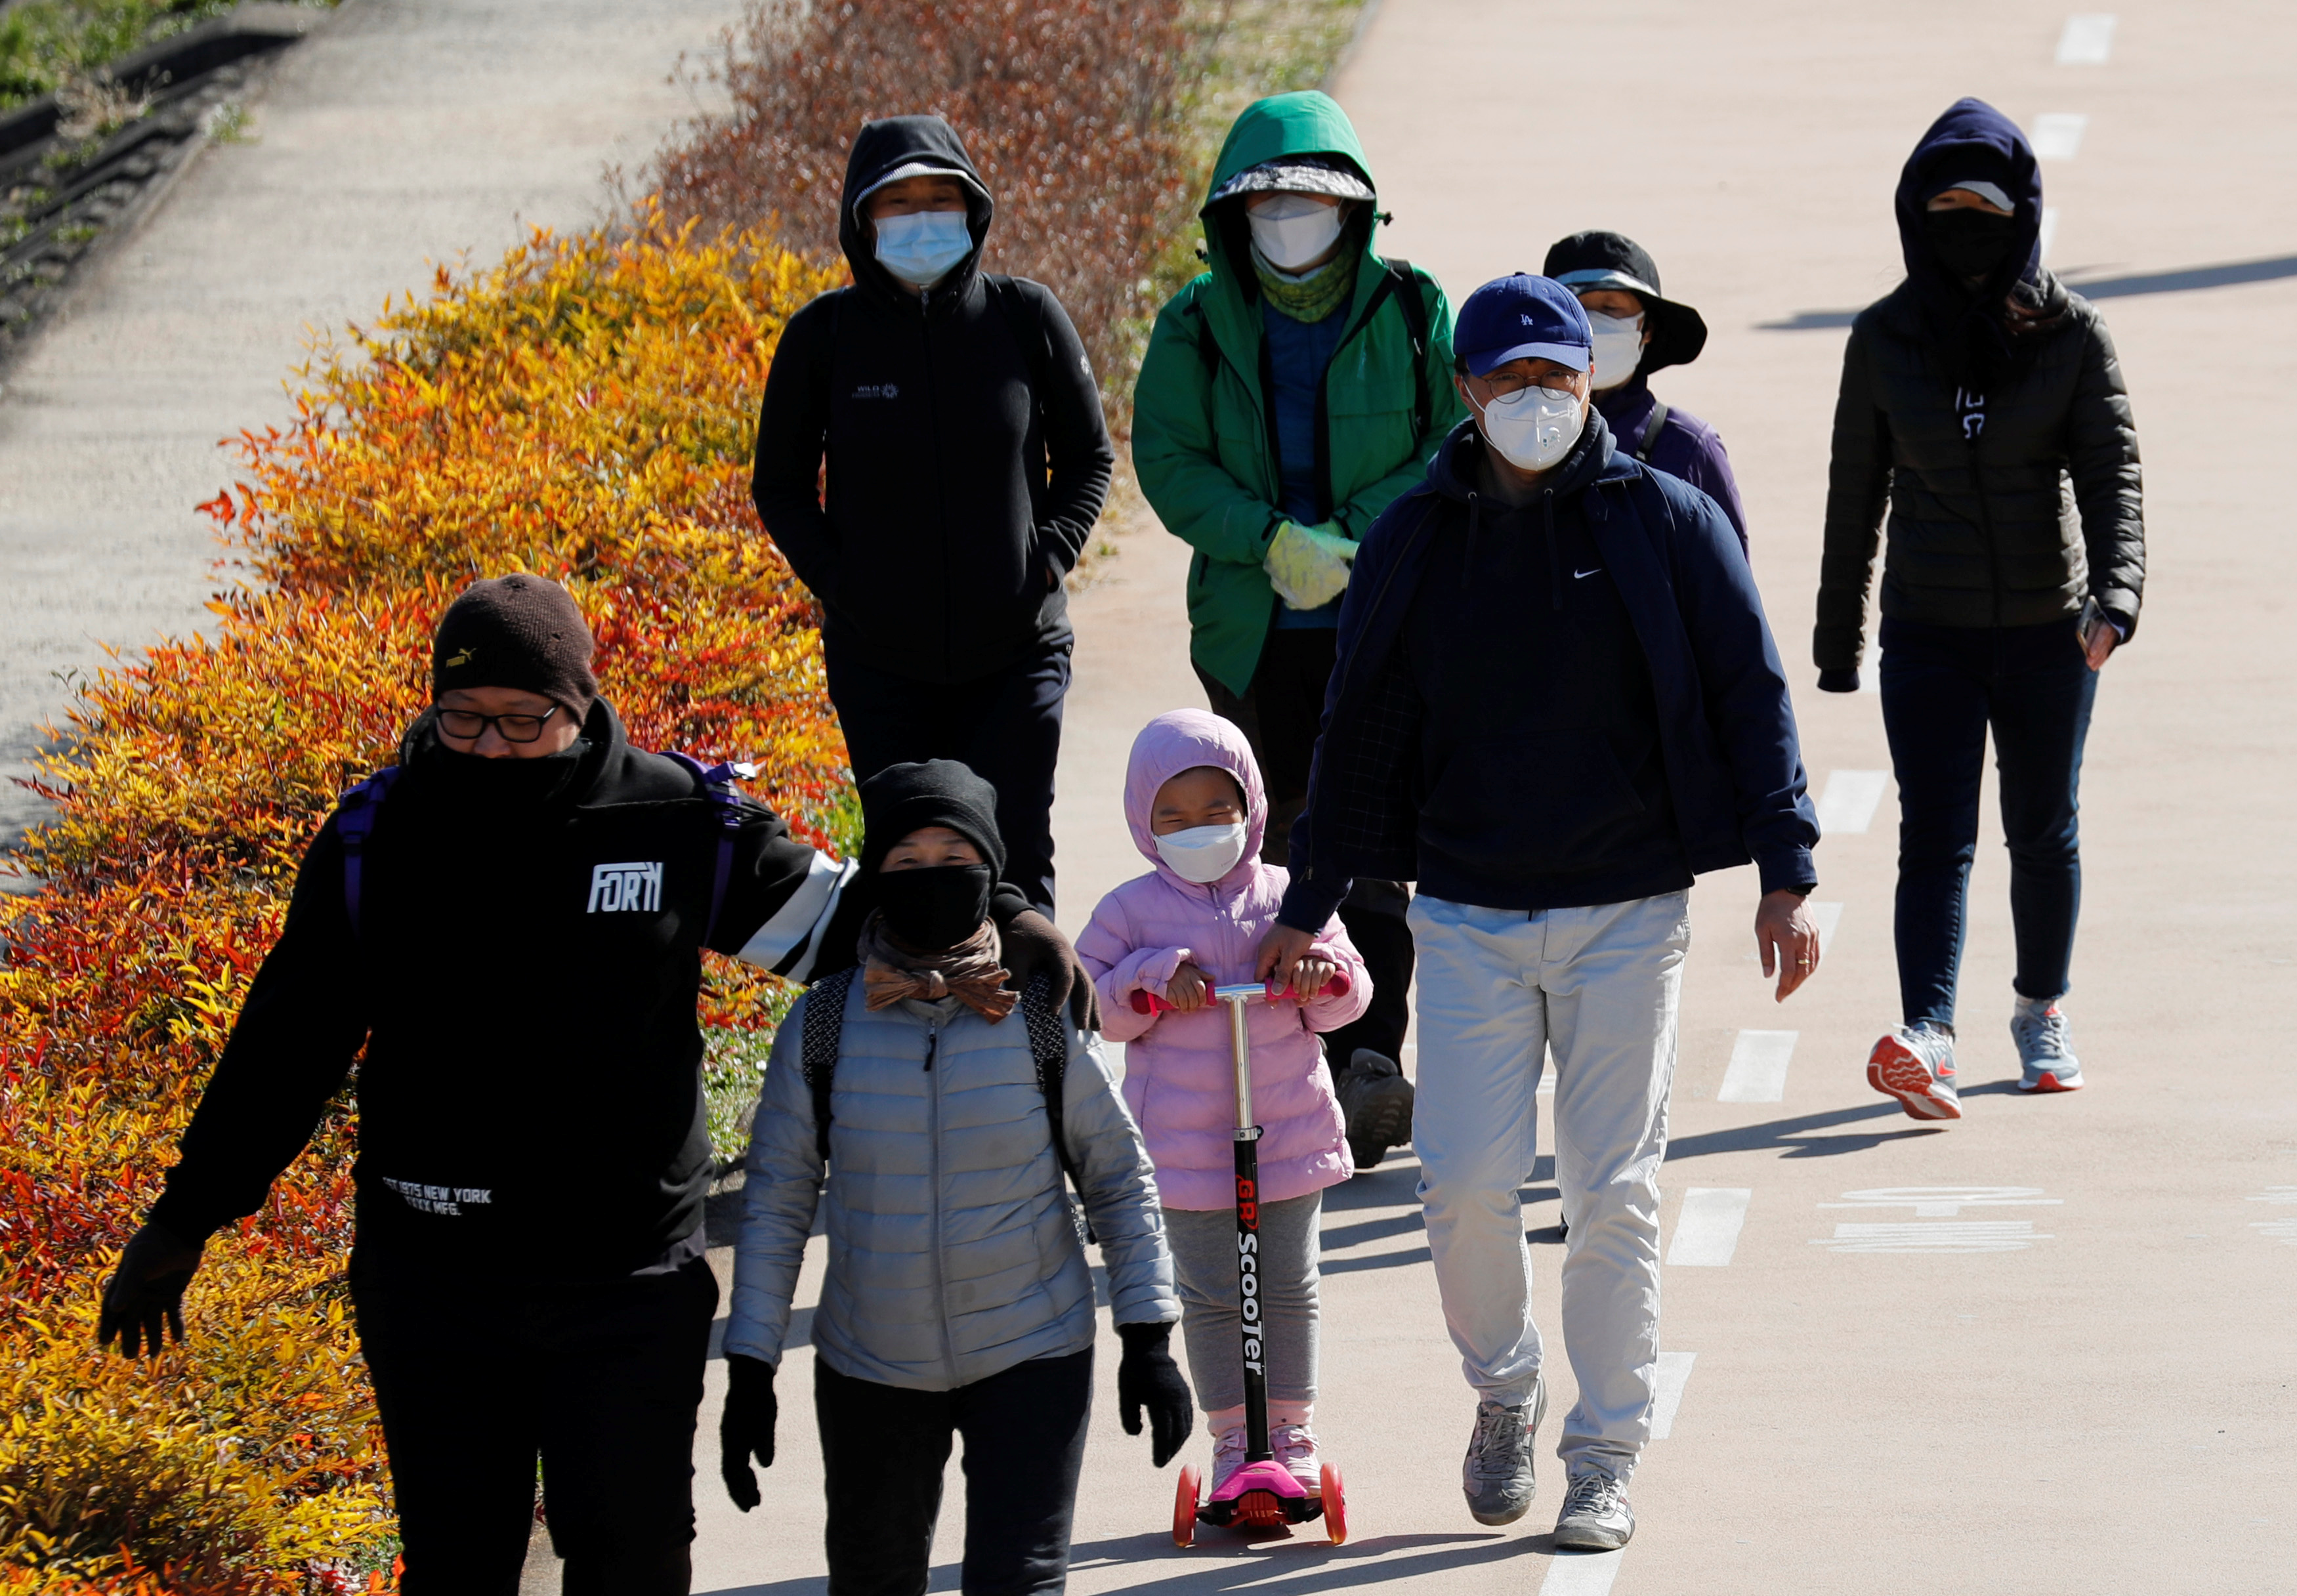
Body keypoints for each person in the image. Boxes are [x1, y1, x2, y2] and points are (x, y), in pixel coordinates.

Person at [93, 576, 1090, 1595]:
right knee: (455, 1563)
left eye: (524, 723)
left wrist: (1004, 911)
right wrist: (186, 1217)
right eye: (463, 720)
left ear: (580, 708)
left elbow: (856, 916)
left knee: (632, 1560)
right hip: (434, 1280)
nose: (488, 748)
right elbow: (284, 1048)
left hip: (627, 1284)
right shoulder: (376, 840)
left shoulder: (674, 822)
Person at [1257, 275, 1822, 1551]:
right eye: (1507, 380)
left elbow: (1751, 691)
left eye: (1554, 378)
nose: (1534, 401)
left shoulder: (1667, 522)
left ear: (1590, 382)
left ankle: (1602, 1453)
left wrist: (1786, 873)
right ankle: (1505, 1389)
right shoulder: (1415, 538)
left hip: (1629, 912)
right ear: (1465, 391)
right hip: (1465, 915)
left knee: (1613, 1192)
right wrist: (1308, 898)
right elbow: (1354, 730)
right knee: (1460, 1182)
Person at [719, 759, 1188, 1596]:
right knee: (871, 1579)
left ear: (988, 873)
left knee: (1021, 1579)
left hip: (1034, 1348)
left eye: (952, 854)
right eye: (904, 860)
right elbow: (776, 1204)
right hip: (870, 1362)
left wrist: (1148, 1335)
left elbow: (1118, 1176)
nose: (930, 875)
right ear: (873, 879)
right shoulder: (821, 1023)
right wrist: (750, 1364)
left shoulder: (1044, 1013)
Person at [1133, 90, 1462, 1172]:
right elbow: (1170, 459)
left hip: (1383, 627)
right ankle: (1289, 1064)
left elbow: (1451, 441)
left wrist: (1360, 537)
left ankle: (1372, 1056)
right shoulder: (1193, 324)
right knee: (1267, 851)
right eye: (1270, 198)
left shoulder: (1413, 311)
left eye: (1313, 198)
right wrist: (1269, 537)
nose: (1291, 215)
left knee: (1370, 842)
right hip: (1252, 629)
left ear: (1355, 208)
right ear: (1235, 212)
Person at [1816, 98, 2144, 1117]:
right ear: (1914, 215)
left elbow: (2111, 469)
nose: (1966, 225)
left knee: (2044, 830)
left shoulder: (2072, 335)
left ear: (2026, 216)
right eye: (1945, 206)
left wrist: (2116, 596)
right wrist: (1841, 633)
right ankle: (1930, 1034)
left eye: (1987, 208)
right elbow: (1854, 490)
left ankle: (2041, 1009)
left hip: (2053, 631)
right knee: (1937, 836)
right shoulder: (1882, 338)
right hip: (1929, 635)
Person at [751, 114, 1116, 915]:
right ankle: (909, 1032)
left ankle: (1033, 1031)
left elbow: (1089, 458)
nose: (920, 220)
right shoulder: (822, 337)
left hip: (1016, 652)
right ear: (861, 219)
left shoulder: (1025, 317)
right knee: (910, 860)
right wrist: (845, 584)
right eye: (898, 203)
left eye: (938, 199)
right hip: (879, 659)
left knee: (1014, 855)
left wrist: (1045, 558)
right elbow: (777, 486)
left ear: (973, 208)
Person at [1078, 709, 1369, 1498]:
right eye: (1171, 815)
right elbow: (1092, 1003)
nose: (1196, 827)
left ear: (1250, 810)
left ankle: (1292, 1429)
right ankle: (1235, 1437)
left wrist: (1323, 975)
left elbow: (1351, 988)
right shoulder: (1128, 910)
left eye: (1216, 810)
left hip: (1287, 1129)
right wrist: (1149, 973)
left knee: (1288, 1285)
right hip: (1182, 1146)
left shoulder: (1287, 895)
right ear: (1144, 822)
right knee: (1209, 1294)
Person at [1544, 230, 1750, 554]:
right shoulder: (1515, 431)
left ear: (1647, 329)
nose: (1593, 324)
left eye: (1611, 309)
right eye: (1579, 309)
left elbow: (1728, 589)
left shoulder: (1689, 446)